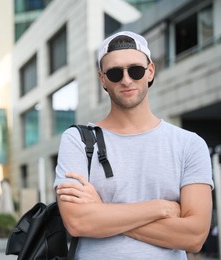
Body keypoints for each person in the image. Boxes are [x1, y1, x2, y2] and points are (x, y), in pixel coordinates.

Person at [54, 31, 214, 259]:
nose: (126, 80)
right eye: (115, 73)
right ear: (103, 79)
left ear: (150, 71)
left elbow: (194, 237)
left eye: (135, 70)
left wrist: (101, 212)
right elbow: (78, 222)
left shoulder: (189, 144)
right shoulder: (78, 140)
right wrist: (161, 208)